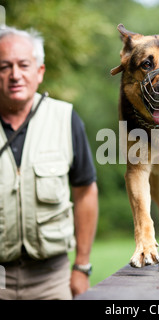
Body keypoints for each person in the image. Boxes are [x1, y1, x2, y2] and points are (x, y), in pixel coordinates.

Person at [0, 26, 98, 300]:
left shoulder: (66, 119)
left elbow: (85, 192)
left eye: (23, 65)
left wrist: (82, 266)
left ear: (39, 71)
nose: (15, 75)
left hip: (52, 279)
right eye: (4, 67)